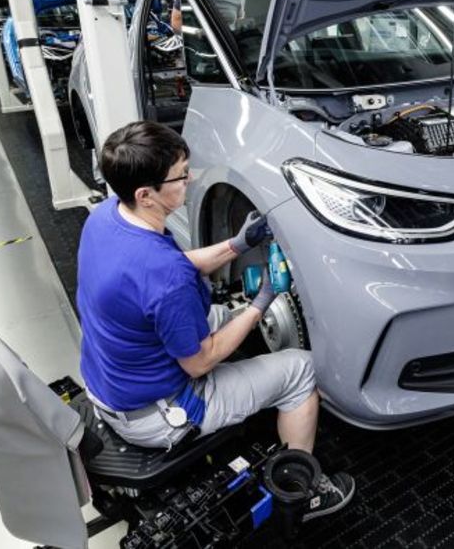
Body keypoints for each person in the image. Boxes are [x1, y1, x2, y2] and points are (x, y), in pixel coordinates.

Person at [76, 121, 355, 521]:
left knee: (224, 315)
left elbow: (166, 272)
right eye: (180, 176)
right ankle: (302, 491)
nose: (189, 180)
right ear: (146, 194)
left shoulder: (107, 217)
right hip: (158, 416)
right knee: (301, 369)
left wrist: (236, 245)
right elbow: (200, 362)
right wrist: (262, 302)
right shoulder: (164, 278)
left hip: (111, 386)